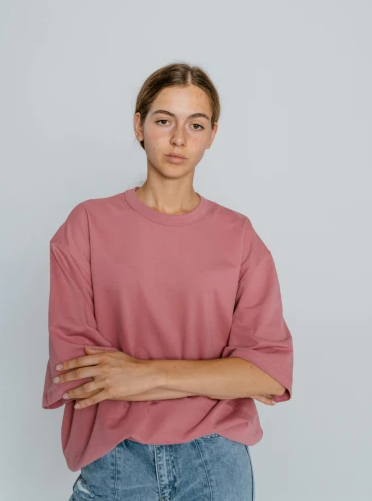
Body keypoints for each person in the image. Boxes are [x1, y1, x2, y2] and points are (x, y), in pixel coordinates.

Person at [41, 61, 294, 501]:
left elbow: (268, 375)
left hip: (215, 462)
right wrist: (219, 376)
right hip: (117, 458)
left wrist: (143, 375)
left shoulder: (238, 237)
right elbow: (79, 370)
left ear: (212, 135)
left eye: (196, 124)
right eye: (164, 121)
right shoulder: (86, 225)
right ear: (139, 126)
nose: (179, 139)